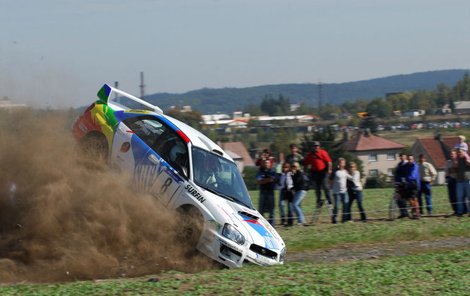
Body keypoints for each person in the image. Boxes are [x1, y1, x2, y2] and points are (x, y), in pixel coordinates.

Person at [304, 141, 333, 211]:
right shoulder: (310, 155)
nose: (316, 147)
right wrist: (305, 171)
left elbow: (329, 162)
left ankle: (329, 201)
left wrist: (329, 170)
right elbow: (305, 163)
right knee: (317, 189)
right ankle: (318, 201)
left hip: (323, 172)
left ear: (319, 146)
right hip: (315, 173)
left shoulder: (323, 152)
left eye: (317, 146)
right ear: (313, 147)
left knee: (325, 186)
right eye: (315, 146)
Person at [329, 158, 351, 224]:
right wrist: (331, 188)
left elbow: (349, 178)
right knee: (336, 207)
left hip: (344, 191)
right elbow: (330, 180)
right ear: (338, 163)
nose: (342, 164)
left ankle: (344, 219)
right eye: (341, 163)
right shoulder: (335, 171)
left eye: (343, 163)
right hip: (336, 192)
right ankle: (334, 219)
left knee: (345, 205)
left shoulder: (345, 171)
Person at [256, 159, 277, 226]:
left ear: (270, 164)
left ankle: (272, 224)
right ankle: (261, 224)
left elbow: (273, 179)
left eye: (267, 163)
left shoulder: (273, 171)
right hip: (262, 192)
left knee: (272, 209)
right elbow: (258, 181)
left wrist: (263, 180)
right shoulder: (260, 171)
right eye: (265, 163)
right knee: (261, 209)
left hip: (270, 192)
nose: (266, 164)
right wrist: (268, 180)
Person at [404, 154, 421, 219]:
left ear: (413, 159)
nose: (409, 160)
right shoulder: (406, 166)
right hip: (408, 184)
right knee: (409, 199)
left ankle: (417, 213)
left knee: (414, 199)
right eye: (408, 159)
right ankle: (414, 212)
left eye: (410, 159)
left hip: (414, 184)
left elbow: (412, 175)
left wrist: (407, 178)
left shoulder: (415, 166)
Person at [394, 153, 409, 218]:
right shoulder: (399, 164)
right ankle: (403, 213)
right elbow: (396, 174)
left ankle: (406, 213)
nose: (401, 158)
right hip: (399, 184)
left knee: (404, 199)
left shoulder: (407, 164)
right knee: (398, 199)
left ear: (405, 157)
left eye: (403, 156)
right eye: (400, 157)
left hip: (405, 184)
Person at [455, 149, 470, 217]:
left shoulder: (466, 158)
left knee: (469, 196)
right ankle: (460, 212)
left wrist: (467, 159)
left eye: (460, 152)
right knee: (459, 197)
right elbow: (455, 166)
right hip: (459, 181)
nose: (459, 153)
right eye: (458, 153)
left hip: (467, 180)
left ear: (464, 153)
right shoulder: (457, 160)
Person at [445, 149, 458, 215]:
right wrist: (447, 179)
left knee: (457, 196)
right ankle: (454, 210)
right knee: (451, 196)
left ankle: (459, 210)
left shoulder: (458, 161)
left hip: (458, 181)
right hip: (451, 180)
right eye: (451, 154)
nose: (451, 155)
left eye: (453, 154)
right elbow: (446, 172)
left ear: (456, 154)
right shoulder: (448, 162)